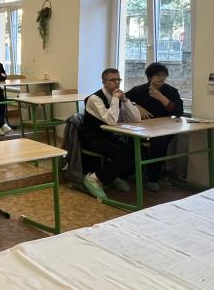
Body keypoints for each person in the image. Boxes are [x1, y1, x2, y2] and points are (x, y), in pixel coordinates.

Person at [79, 68, 141, 200]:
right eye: (113, 80)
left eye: (119, 79)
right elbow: (111, 121)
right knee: (123, 157)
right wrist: (115, 99)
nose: (117, 83)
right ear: (104, 82)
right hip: (92, 138)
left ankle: (113, 176)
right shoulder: (94, 99)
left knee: (134, 152)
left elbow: (136, 119)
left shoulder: (118, 96)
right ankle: (93, 178)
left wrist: (125, 100)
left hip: (109, 136)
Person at [126, 62, 184, 190]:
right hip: (143, 128)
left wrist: (162, 98)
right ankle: (135, 172)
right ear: (149, 77)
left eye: (164, 75)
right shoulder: (140, 90)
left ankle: (153, 178)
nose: (161, 78)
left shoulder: (171, 91)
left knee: (159, 141)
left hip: (164, 129)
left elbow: (179, 112)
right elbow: (122, 99)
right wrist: (136, 106)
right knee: (131, 139)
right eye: (157, 75)